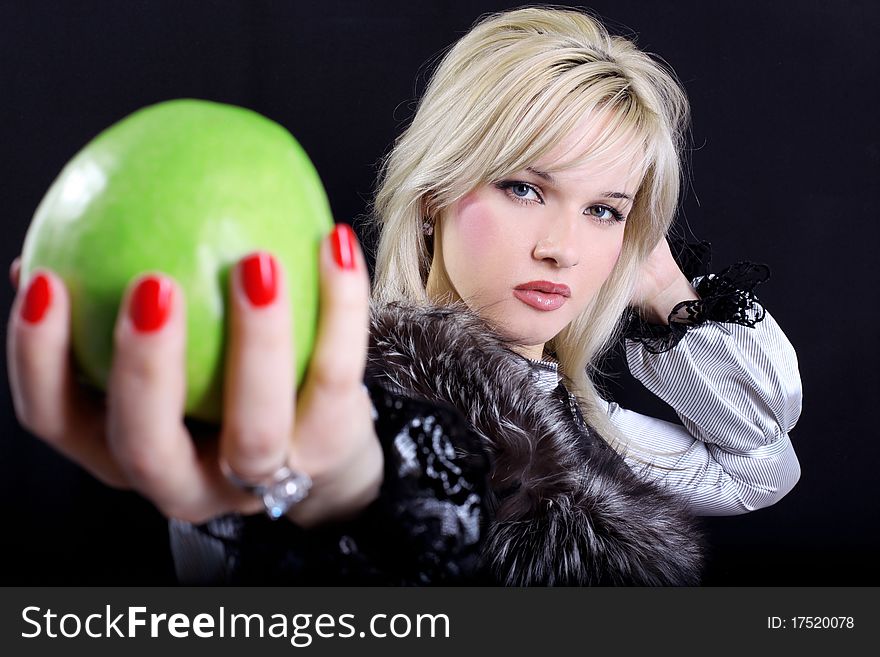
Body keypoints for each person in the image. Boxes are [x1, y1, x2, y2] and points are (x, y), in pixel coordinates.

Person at [7, 7, 800, 586]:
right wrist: (319, 502)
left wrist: (666, 290)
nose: (563, 245)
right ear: (435, 196)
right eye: (525, 187)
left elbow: (763, 466)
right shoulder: (335, 392)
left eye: (605, 210)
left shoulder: (592, 433)